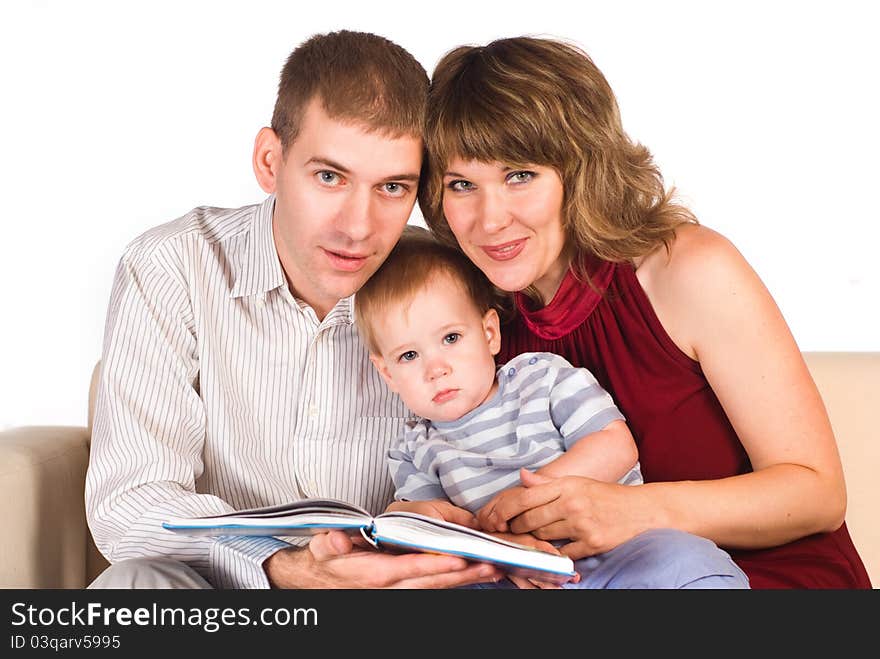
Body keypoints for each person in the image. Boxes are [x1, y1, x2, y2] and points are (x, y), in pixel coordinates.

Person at [419, 36, 872, 588]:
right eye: (461, 185)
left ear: (579, 170)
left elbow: (817, 493)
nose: (490, 220)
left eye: (520, 175)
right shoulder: (471, 329)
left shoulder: (687, 270)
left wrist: (635, 511)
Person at [84, 30, 503, 590]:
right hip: (225, 599)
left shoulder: (451, 283)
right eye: (329, 176)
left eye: (393, 187)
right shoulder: (173, 266)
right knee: (133, 588)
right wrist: (281, 566)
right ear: (269, 160)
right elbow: (128, 506)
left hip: (400, 597)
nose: (358, 227)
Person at [355, 228, 749, 588]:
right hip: (513, 576)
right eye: (409, 355)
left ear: (489, 333)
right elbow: (428, 533)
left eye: (451, 338)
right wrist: (416, 518)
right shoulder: (415, 447)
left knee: (682, 559)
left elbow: (614, 445)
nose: (435, 368)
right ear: (387, 373)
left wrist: (533, 497)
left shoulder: (541, 378)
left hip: (613, 552)